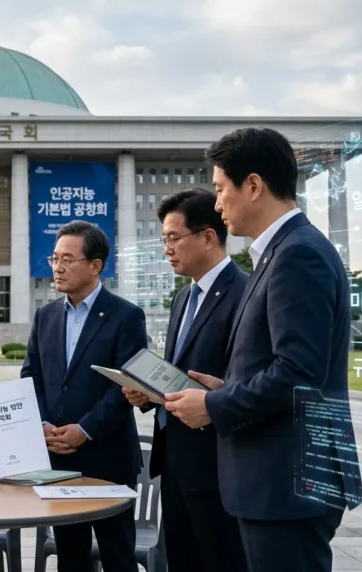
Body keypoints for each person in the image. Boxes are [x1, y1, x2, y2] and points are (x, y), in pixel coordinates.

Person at [165, 127, 362, 572]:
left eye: (220, 189)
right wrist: (227, 384)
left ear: (253, 186)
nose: (216, 205)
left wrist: (214, 404)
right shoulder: (279, 252)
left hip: (286, 481)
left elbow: (298, 373)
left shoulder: (297, 255)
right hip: (277, 481)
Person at [123, 189, 249, 572]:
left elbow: (248, 379)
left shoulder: (246, 293)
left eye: (173, 238)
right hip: (174, 461)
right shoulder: (184, 298)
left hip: (217, 465)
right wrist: (148, 394)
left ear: (208, 237)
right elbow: (181, 372)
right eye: (164, 240)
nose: (167, 249)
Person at [21, 220, 146, 572]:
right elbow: (32, 375)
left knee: (116, 554)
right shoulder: (45, 316)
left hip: (108, 459)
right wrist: (43, 423)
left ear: (95, 266)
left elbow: (127, 385)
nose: (58, 268)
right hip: (59, 457)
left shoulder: (126, 316)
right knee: (70, 556)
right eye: (54, 259)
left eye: (68, 259)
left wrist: (86, 429)